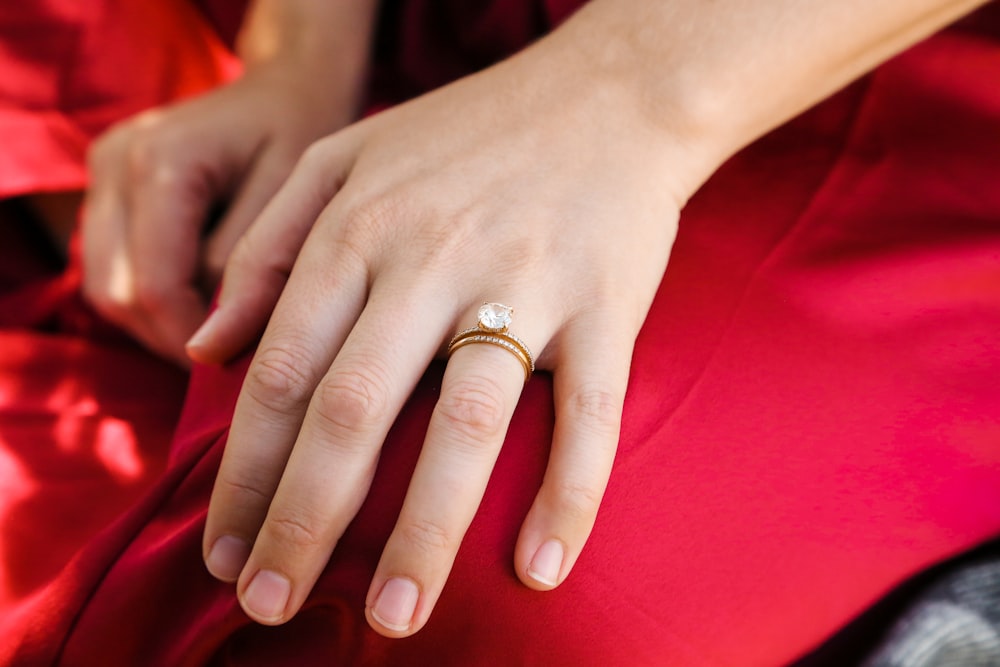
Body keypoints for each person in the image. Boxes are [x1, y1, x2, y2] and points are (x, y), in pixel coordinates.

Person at [2, 0, 999, 664]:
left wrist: (623, 93)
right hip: (447, 39)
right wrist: (300, 54)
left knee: (448, 535)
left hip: (870, 108)